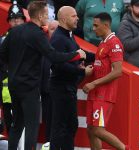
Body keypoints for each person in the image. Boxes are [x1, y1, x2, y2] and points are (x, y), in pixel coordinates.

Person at [0, 1, 86, 150]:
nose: (48, 17)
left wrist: (12, 69)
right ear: (39, 15)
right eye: (46, 14)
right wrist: (76, 55)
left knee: (16, 125)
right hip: (30, 88)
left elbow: (2, 54)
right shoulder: (38, 34)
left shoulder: (15, 31)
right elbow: (53, 56)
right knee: (31, 126)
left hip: (13, 85)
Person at [49, 6, 95, 150]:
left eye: (77, 16)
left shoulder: (68, 35)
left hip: (68, 88)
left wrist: (100, 54)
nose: (77, 18)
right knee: (60, 128)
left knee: (70, 126)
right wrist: (82, 72)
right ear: (63, 19)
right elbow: (58, 66)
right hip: (61, 89)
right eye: (73, 16)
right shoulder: (58, 39)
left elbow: (80, 53)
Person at [82, 12, 130, 150]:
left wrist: (93, 83)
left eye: (96, 25)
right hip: (95, 94)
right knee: (91, 130)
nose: (93, 28)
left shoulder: (114, 43)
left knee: (97, 130)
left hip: (104, 95)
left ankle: (125, 148)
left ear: (106, 25)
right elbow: (102, 66)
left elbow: (117, 71)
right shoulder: (103, 43)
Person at [0, 0, 26, 135]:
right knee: (11, 127)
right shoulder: (3, 39)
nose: (16, 22)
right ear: (9, 21)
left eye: (18, 18)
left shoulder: (31, 37)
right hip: (6, 91)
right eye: (13, 19)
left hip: (26, 88)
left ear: (23, 20)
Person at [117, 0, 139, 71]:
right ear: (131, 7)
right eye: (138, 6)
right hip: (135, 67)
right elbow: (125, 45)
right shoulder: (125, 24)